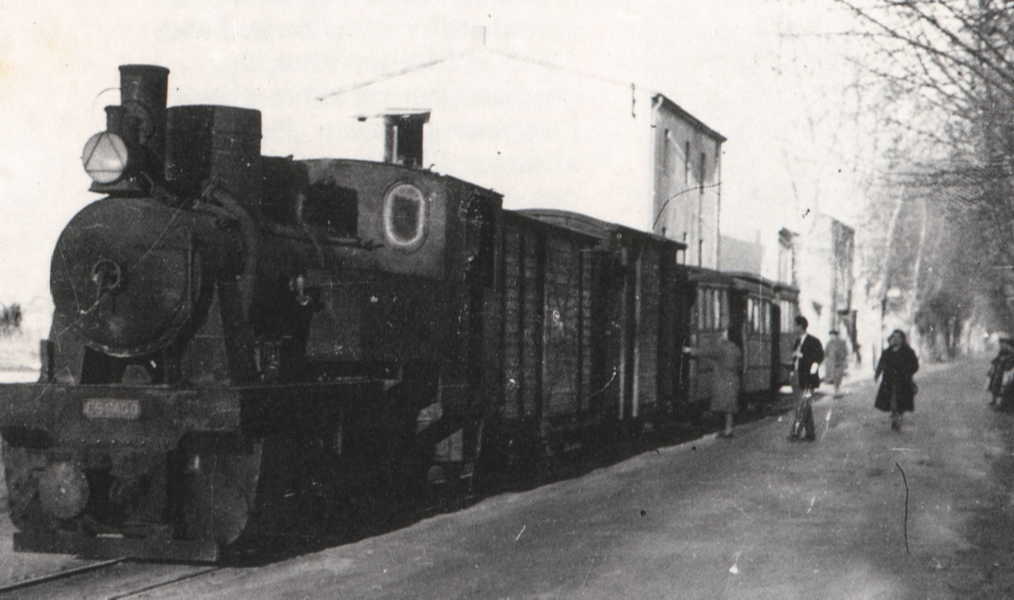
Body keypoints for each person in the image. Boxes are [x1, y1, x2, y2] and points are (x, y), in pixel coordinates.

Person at [685, 328, 742, 438]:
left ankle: (726, 431)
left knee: (723, 407)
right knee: (729, 408)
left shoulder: (722, 348)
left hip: (723, 380)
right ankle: (728, 430)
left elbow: (706, 352)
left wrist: (689, 350)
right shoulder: (736, 348)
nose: (720, 336)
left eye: (722, 334)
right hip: (733, 380)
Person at [874, 329, 919, 431]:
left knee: (902, 402)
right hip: (889, 381)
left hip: (904, 381)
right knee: (893, 401)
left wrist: (908, 372)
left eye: (898, 337)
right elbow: (881, 364)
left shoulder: (908, 352)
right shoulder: (887, 352)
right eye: (894, 337)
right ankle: (895, 418)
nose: (896, 339)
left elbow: (915, 365)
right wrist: (877, 374)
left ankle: (898, 416)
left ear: (902, 339)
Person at [788, 316, 824, 441]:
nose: (794, 328)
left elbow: (819, 357)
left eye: (795, 325)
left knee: (802, 405)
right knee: (804, 405)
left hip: (807, 378)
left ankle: (795, 433)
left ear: (801, 326)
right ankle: (810, 434)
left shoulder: (813, 341)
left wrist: (802, 355)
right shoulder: (798, 341)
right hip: (797, 376)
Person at [986, 337, 1014, 408]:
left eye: (1003, 344)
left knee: (1003, 386)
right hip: (998, 370)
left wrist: (1003, 360)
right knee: (994, 385)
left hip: (1005, 371)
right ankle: (994, 400)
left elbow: (1010, 361)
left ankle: (1002, 404)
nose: (1001, 345)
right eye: (1000, 344)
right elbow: (997, 358)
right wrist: (993, 363)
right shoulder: (1002, 351)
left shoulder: (1011, 352)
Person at [824, 329, 849, 397]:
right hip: (832, 363)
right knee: (835, 376)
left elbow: (846, 351)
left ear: (836, 335)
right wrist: (826, 360)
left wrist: (845, 360)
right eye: (830, 335)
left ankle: (837, 388)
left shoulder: (842, 342)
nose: (831, 337)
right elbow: (826, 352)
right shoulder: (829, 343)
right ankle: (836, 390)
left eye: (833, 335)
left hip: (840, 362)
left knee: (839, 376)